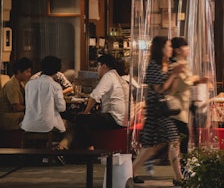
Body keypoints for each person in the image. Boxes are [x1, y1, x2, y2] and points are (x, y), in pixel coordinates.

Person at [131, 36, 183, 186]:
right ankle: (179, 177)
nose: (170, 49)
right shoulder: (153, 66)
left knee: (153, 146)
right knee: (171, 141)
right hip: (156, 111)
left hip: (162, 110)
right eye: (168, 46)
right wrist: (173, 75)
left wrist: (176, 75)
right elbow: (159, 88)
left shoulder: (166, 65)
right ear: (161, 49)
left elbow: (170, 89)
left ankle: (131, 171)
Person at [169, 37, 208, 178]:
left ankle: (180, 173)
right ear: (178, 50)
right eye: (185, 47)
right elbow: (181, 85)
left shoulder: (182, 64)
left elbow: (186, 83)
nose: (188, 49)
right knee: (179, 141)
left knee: (178, 142)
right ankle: (181, 172)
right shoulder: (175, 66)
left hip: (182, 109)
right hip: (175, 110)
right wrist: (196, 79)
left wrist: (197, 80)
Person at [74, 54, 130, 150]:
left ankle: (89, 150)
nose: (97, 69)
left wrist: (86, 112)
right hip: (124, 119)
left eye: (98, 66)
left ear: (104, 66)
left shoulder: (109, 76)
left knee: (80, 119)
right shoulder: (118, 77)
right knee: (89, 120)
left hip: (114, 118)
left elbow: (94, 96)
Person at [20, 56, 72, 150]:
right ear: (57, 71)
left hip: (28, 124)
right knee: (72, 126)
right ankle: (61, 148)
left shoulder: (29, 84)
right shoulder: (55, 85)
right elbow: (62, 108)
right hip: (48, 125)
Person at [0, 57, 33, 130]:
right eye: (27, 72)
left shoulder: (21, 83)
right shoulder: (11, 85)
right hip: (8, 117)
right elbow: (16, 107)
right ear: (19, 72)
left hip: (14, 114)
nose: (29, 74)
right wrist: (32, 108)